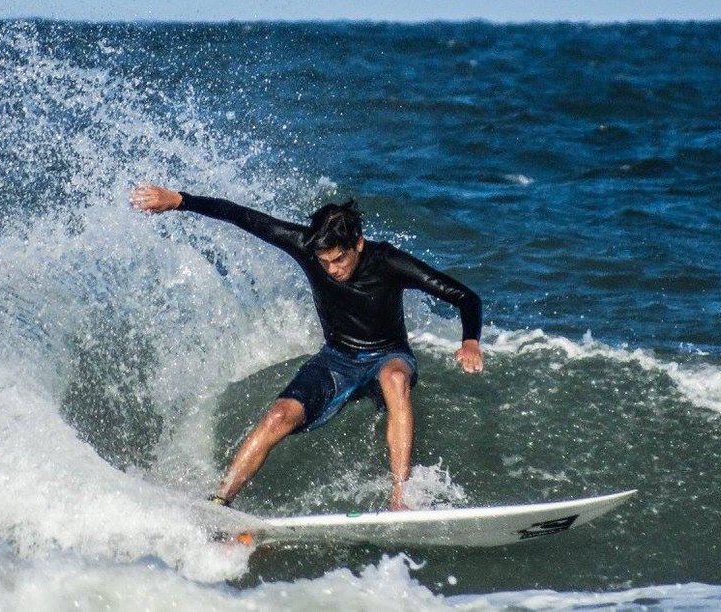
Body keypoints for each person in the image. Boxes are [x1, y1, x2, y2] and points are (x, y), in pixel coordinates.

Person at [130, 184, 484, 511]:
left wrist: (469, 340)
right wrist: (180, 201)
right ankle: (221, 501)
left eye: (340, 259)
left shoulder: (388, 262)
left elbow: (465, 296)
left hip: (388, 355)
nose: (332, 270)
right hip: (337, 358)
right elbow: (244, 217)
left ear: (358, 243)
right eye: (325, 262)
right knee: (278, 416)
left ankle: (400, 500)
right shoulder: (308, 247)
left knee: (393, 377)